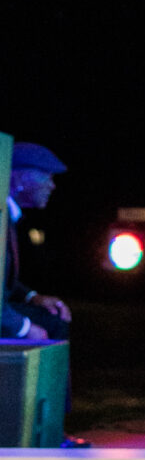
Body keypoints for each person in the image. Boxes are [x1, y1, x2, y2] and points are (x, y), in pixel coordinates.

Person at [2, 144, 71, 342]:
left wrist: (32, 297)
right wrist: (23, 328)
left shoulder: (9, 216)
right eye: (47, 176)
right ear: (22, 178)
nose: (52, 185)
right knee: (50, 326)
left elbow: (2, 281)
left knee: (53, 316)